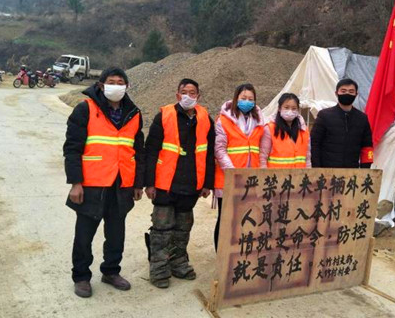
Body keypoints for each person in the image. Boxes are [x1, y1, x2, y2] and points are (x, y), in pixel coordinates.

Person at [64, 67, 145, 298]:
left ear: (127, 87)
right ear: (101, 85)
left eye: (121, 82)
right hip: (92, 184)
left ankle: (111, 271)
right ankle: (81, 276)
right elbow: (72, 148)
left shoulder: (133, 113)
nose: (116, 85)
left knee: (116, 233)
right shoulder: (85, 109)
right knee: (84, 234)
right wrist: (75, 183)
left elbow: (138, 151)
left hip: (122, 185)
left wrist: (138, 183)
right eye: (112, 81)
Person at [144, 79, 215, 289]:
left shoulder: (205, 118)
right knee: (162, 229)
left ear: (198, 96)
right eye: (184, 92)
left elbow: (209, 153)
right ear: (177, 95)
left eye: (192, 92)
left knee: (183, 229)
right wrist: (149, 183)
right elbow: (151, 151)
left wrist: (206, 183)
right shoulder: (164, 116)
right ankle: (159, 268)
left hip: (191, 185)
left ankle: (178, 263)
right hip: (165, 184)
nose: (188, 96)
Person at [214, 83, 266, 250]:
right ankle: (222, 255)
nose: (247, 101)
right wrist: (233, 172)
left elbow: (261, 150)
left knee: (248, 218)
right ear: (236, 98)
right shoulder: (223, 120)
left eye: (251, 99)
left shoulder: (259, 121)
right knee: (225, 219)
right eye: (243, 98)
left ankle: (239, 253)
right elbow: (219, 149)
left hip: (251, 180)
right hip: (229, 179)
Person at [310, 79, 373, 169]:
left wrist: (365, 170)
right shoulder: (324, 115)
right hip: (327, 172)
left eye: (351, 91)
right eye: (343, 91)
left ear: (356, 94)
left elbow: (367, 147)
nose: (347, 94)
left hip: (352, 172)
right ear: (336, 93)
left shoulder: (362, 118)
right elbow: (315, 144)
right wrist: (317, 169)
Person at [260, 93, 311, 169]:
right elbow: (262, 158)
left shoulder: (304, 130)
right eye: (286, 107)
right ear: (279, 108)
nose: (290, 111)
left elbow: (307, 159)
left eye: (294, 108)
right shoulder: (269, 129)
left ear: (298, 110)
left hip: (300, 178)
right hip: (276, 178)